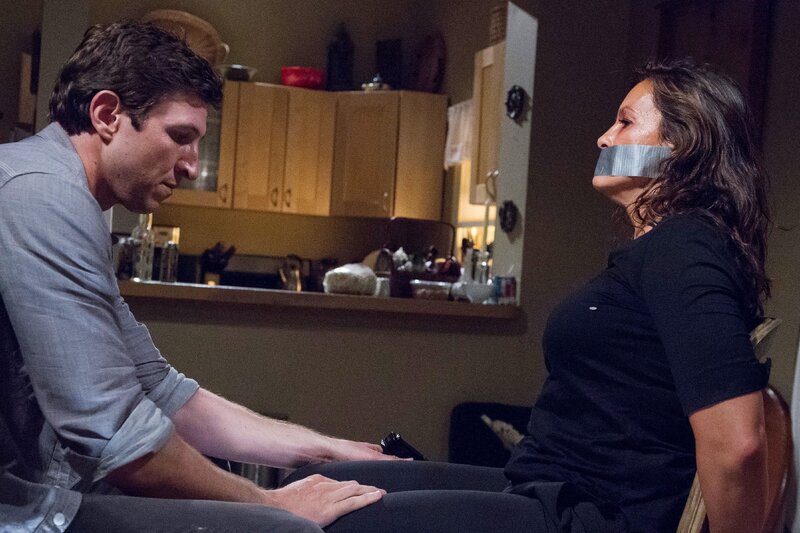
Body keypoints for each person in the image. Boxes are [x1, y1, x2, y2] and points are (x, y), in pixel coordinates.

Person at [284, 59, 772, 533]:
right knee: (313, 485)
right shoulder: (660, 249)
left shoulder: (686, 246)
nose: (604, 138)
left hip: (590, 512)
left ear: (680, 149)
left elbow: (738, 443)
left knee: (325, 519)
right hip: (540, 486)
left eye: (625, 123)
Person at [0, 21, 398, 533]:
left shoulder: (59, 192)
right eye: (179, 137)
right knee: (287, 528)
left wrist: (326, 448)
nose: (191, 166)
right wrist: (272, 504)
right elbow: (116, 435)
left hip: (45, 492)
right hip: (18, 510)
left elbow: (158, 388)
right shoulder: (43, 196)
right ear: (106, 115)